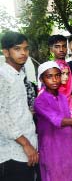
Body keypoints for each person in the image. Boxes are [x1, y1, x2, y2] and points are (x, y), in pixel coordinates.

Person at [0, 31, 38, 181]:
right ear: (6, 52)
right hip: (12, 152)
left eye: (26, 48)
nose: (23, 53)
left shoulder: (19, 75)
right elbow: (1, 116)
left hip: (25, 148)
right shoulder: (3, 77)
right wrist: (26, 144)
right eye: (17, 49)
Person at [46, 34, 72, 118]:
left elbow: (71, 92)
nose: (61, 50)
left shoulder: (67, 65)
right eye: (57, 47)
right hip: (59, 111)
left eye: (64, 46)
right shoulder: (50, 68)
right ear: (51, 49)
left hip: (71, 107)